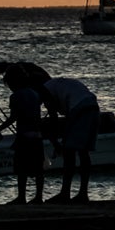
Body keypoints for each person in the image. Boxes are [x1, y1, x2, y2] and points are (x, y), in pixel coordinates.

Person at [41, 74, 99, 203]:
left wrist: (55, 142)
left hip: (80, 109)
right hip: (93, 106)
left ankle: (65, 193)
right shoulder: (57, 84)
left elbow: (53, 118)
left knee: (69, 153)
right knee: (83, 152)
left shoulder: (45, 89)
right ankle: (82, 193)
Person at [0, 67, 46, 205]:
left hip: (24, 136)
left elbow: (13, 117)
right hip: (37, 135)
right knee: (38, 169)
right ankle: (38, 197)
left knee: (21, 168)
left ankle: (21, 197)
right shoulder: (35, 94)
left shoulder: (15, 97)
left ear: (14, 82)